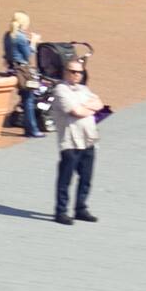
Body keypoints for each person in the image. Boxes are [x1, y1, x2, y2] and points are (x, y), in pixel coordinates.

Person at [50, 54, 103, 223]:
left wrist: (86, 107)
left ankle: (81, 208)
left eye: (79, 72)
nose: (76, 75)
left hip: (88, 139)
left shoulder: (84, 89)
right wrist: (88, 108)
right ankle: (61, 211)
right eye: (72, 71)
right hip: (70, 141)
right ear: (65, 72)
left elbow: (100, 104)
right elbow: (76, 111)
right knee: (66, 178)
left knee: (86, 178)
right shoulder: (61, 90)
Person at [4, 11, 45, 137]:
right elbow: (27, 55)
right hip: (23, 71)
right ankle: (32, 129)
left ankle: (29, 127)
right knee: (29, 99)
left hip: (12, 68)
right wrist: (33, 42)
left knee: (26, 98)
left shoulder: (8, 35)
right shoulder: (20, 37)